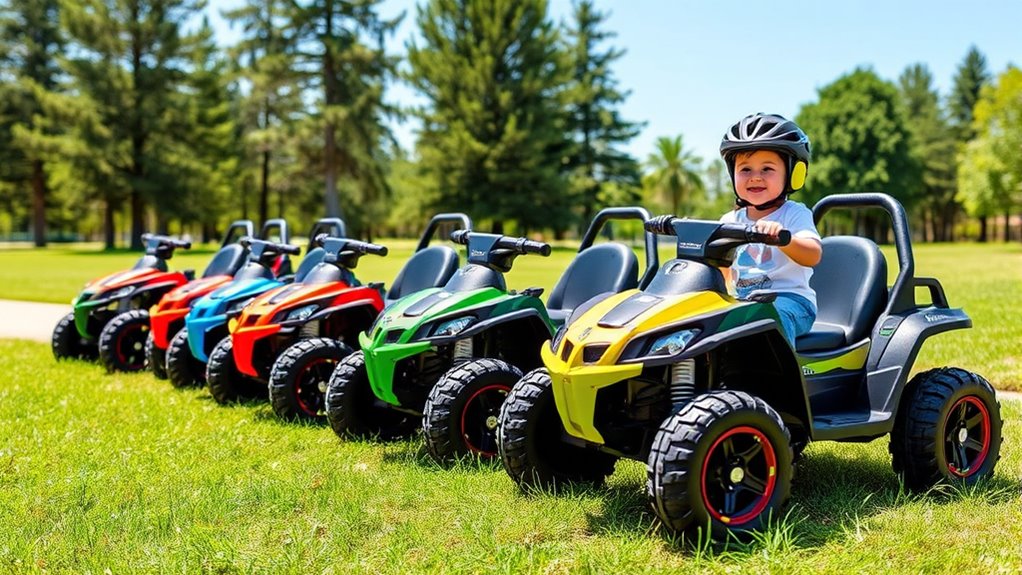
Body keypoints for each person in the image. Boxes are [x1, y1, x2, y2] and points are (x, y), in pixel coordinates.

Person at [718, 113, 823, 346]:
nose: (755, 177)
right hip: (744, 303)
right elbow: (722, 268)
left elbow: (813, 254)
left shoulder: (794, 214)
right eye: (745, 169)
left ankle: (776, 381)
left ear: (793, 174)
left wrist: (784, 240)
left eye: (767, 169)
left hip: (791, 302)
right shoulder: (729, 219)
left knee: (768, 319)